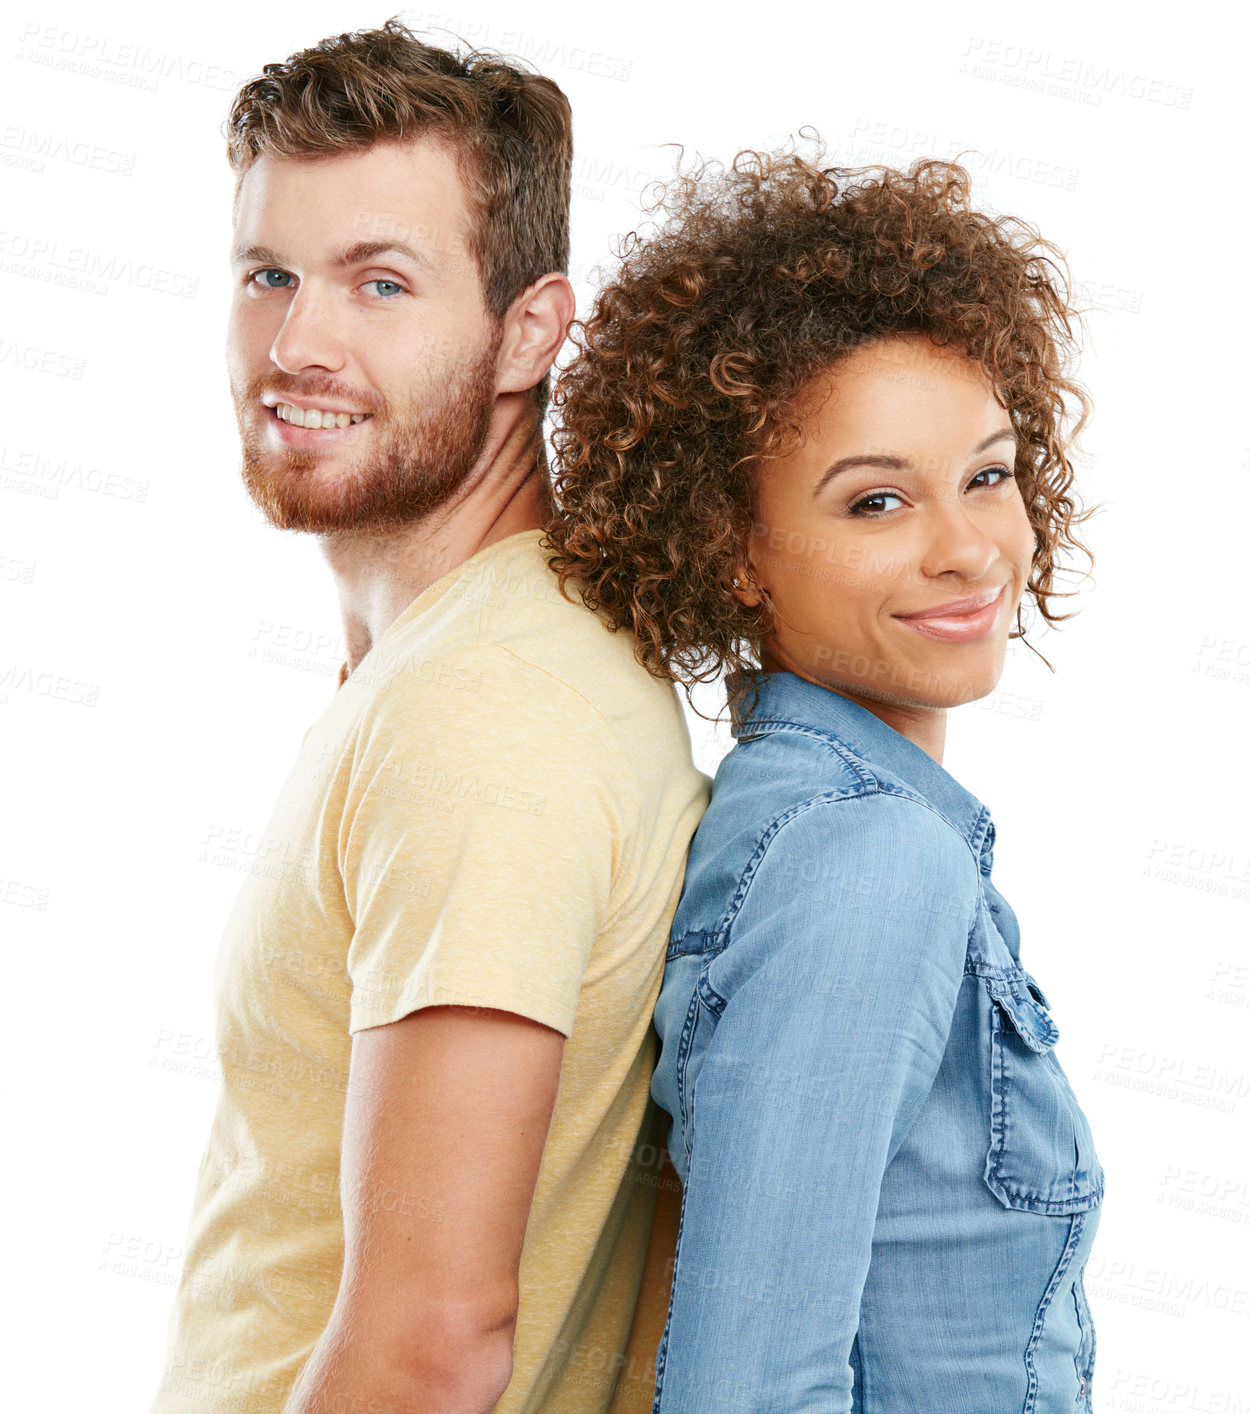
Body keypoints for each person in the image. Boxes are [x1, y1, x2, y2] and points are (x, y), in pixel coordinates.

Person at [148, 20, 709, 1414]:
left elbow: (431, 1343)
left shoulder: (486, 714)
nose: (297, 341)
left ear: (529, 329)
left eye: (379, 282)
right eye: (268, 273)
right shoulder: (458, 664)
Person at [544, 145, 1106, 1412]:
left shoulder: (836, 826)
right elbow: (744, 1393)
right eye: (874, 504)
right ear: (732, 546)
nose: (968, 552)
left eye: (987, 474)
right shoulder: (863, 861)